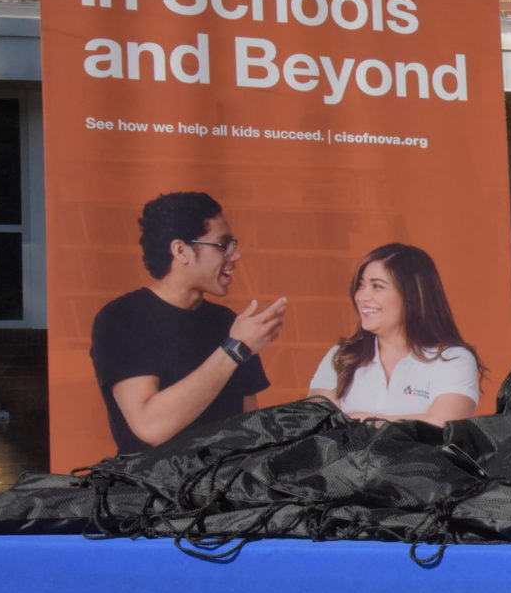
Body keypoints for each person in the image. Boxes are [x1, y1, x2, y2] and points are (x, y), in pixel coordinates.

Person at [90, 192, 284, 454]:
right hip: (153, 490)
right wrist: (235, 349)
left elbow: (250, 429)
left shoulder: (227, 323)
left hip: (226, 487)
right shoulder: (122, 318)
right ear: (181, 251)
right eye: (222, 245)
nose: (234, 256)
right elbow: (150, 427)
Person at [308, 243, 479, 424]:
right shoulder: (340, 356)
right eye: (361, 285)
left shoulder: (452, 358)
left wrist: (359, 420)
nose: (362, 297)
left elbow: (442, 424)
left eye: (377, 286)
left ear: (412, 294)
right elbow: (318, 425)